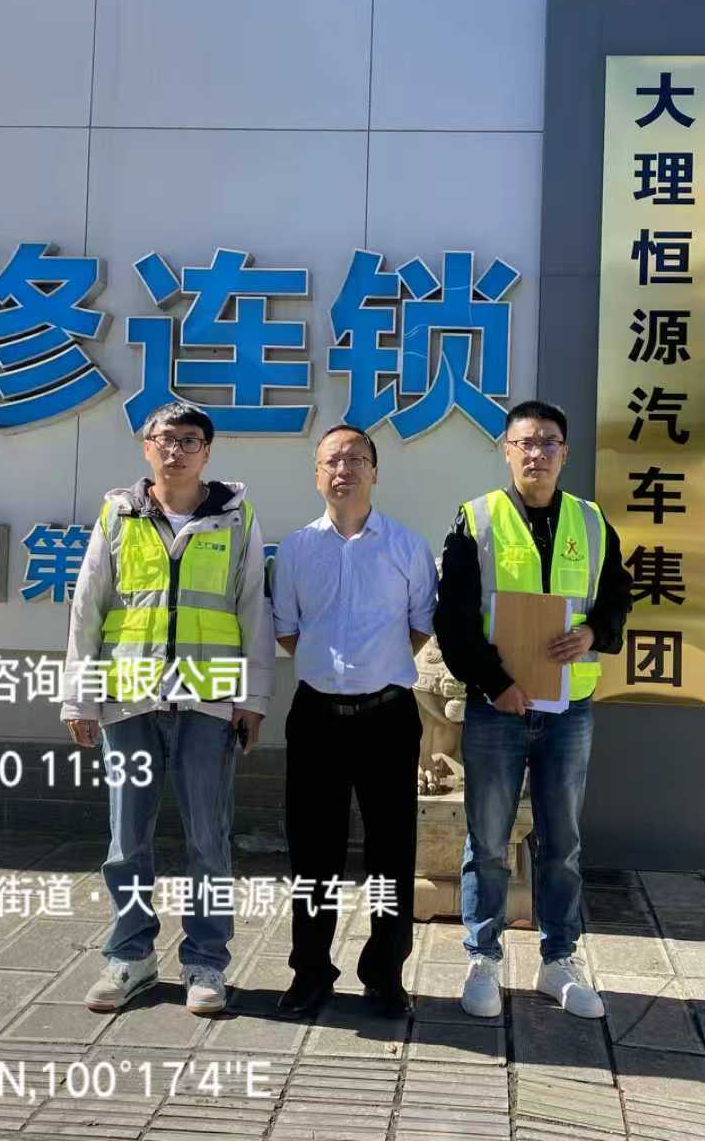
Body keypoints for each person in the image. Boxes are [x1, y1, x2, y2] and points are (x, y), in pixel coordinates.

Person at [60, 401, 271, 1017]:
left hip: (210, 701)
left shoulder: (237, 518)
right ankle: (130, 956)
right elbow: (88, 609)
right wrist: (79, 695)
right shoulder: (118, 515)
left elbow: (254, 609)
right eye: (165, 439)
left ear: (208, 451)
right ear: (146, 446)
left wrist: (253, 699)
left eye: (189, 440)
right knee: (127, 840)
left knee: (209, 840)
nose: (176, 450)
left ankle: (206, 961)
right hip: (129, 699)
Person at [434, 399, 632, 1020]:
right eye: (526, 442)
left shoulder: (592, 521)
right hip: (497, 709)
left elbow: (617, 596)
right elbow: (452, 619)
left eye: (549, 442)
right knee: (488, 841)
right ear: (507, 450)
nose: (537, 453)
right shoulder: (477, 519)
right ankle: (483, 959)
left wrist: (595, 632)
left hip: (568, 708)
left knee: (562, 842)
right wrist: (496, 684)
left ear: (564, 453)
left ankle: (559, 960)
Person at [270, 425, 438, 1019]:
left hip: (387, 718)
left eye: (356, 459)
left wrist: (373, 671)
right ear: (317, 474)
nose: (344, 470)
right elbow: (287, 630)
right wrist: (333, 673)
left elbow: (419, 627)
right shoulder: (295, 549)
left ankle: (385, 974)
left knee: (391, 852)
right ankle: (311, 971)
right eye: (332, 461)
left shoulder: (407, 547)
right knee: (313, 853)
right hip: (316, 717)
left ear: (375, 471)